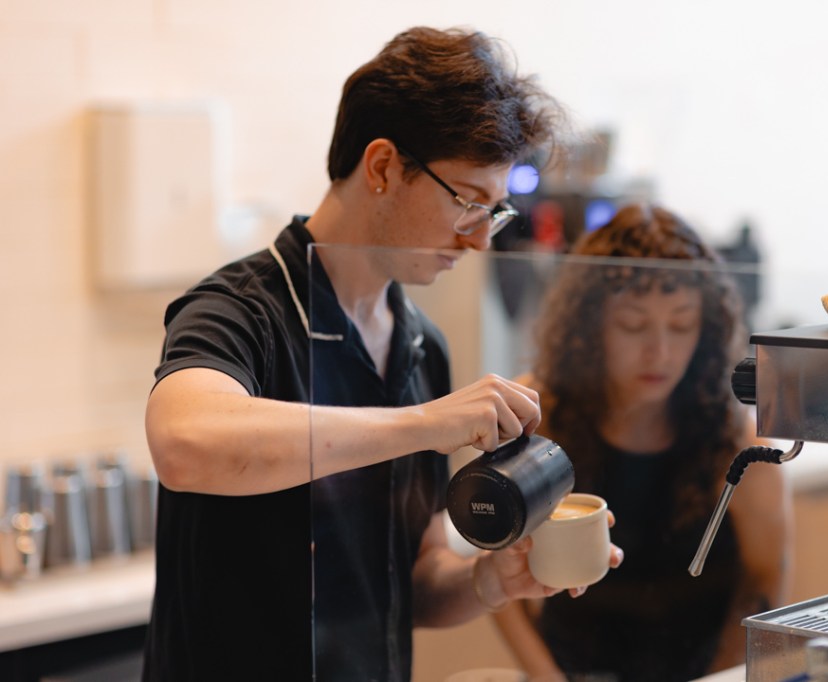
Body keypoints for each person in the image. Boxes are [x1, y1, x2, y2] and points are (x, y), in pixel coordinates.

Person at [142, 27, 622, 681]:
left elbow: (415, 579)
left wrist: (492, 581)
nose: (481, 241)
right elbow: (186, 444)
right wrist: (428, 423)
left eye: (496, 212)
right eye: (468, 204)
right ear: (382, 168)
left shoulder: (421, 346)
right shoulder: (241, 308)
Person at [494, 204, 794, 681]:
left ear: (707, 327)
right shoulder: (537, 412)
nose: (661, 351)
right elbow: (497, 577)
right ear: (589, 326)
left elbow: (764, 578)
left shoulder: (734, 431)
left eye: (681, 325)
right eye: (633, 325)